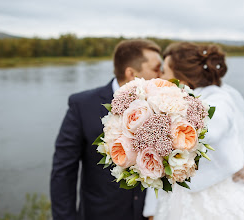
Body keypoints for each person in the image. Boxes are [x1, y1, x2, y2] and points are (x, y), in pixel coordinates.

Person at [143, 42, 244, 220]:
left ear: (181, 77)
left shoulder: (218, 98)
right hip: (176, 198)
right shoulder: (170, 101)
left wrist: (153, 125)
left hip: (217, 200)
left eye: (165, 71)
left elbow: (211, 129)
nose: (161, 77)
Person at [51, 39, 162, 220]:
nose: (162, 74)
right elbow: (63, 172)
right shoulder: (82, 106)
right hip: (102, 213)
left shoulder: (164, 105)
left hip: (151, 213)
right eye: (156, 69)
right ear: (132, 74)